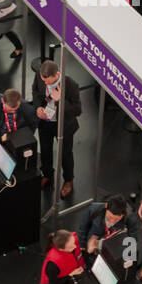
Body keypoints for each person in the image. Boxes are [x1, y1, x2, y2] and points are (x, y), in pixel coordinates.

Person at [32, 58, 82, 197]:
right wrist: (38, 107)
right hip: (45, 122)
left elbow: (77, 110)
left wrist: (60, 100)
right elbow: (36, 91)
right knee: (46, 150)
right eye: (43, 79)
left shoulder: (71, 85)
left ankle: (68, 180)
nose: (44, 82)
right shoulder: (40, 76)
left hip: (63, 125)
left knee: (66, 154)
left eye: (47, 80)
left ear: (56, 75)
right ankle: (47, 174)